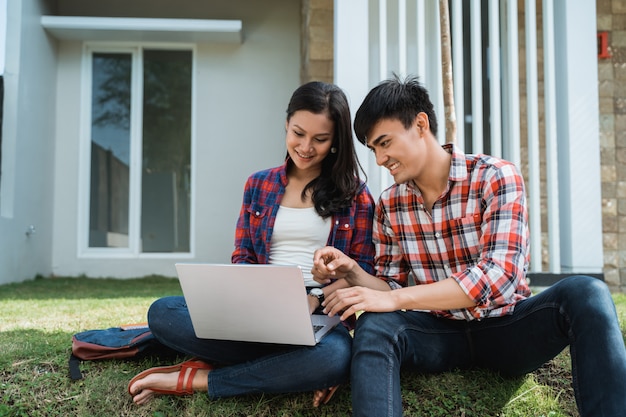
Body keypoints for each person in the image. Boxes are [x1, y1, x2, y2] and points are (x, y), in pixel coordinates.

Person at [312, 75, 626, 417]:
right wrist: (354, 272)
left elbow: (498, 276)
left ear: (420, 125)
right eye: (373, 149)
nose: (380, 158)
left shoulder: (495, 176)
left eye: (385, 142)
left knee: (587, 292)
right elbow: (392, 285)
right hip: (438, 334)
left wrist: (396, 297)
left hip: (507, 327)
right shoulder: (390, 204)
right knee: (375, 324)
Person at [128, 81, 376, 407]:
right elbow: (243, 255)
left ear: (335, 141)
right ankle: (292, 371)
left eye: (320, 139)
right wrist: (254, 298)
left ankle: (200, 378)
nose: (305, 147)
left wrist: (314, 298)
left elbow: (363, 268)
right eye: (298, 133)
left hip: (319, 319)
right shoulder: (259, 184)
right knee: (163, 312)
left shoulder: (356, 195)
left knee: (334, 358)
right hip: (258, 307)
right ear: (287, 123)